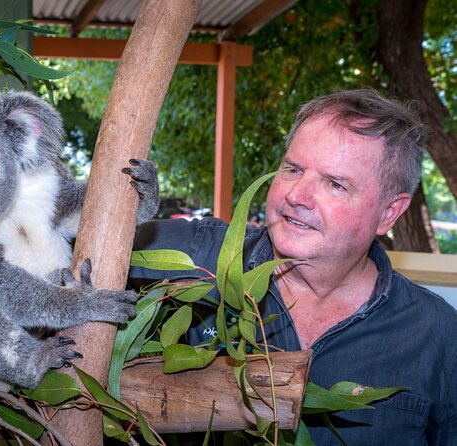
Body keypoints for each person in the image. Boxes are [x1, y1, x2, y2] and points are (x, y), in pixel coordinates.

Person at [129, 89, 457, 445]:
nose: (296, 196)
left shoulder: (439, 337)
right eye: (292, 169)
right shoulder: (194, 257)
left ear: (389, 212)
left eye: (335, 183)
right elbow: (67, 247)